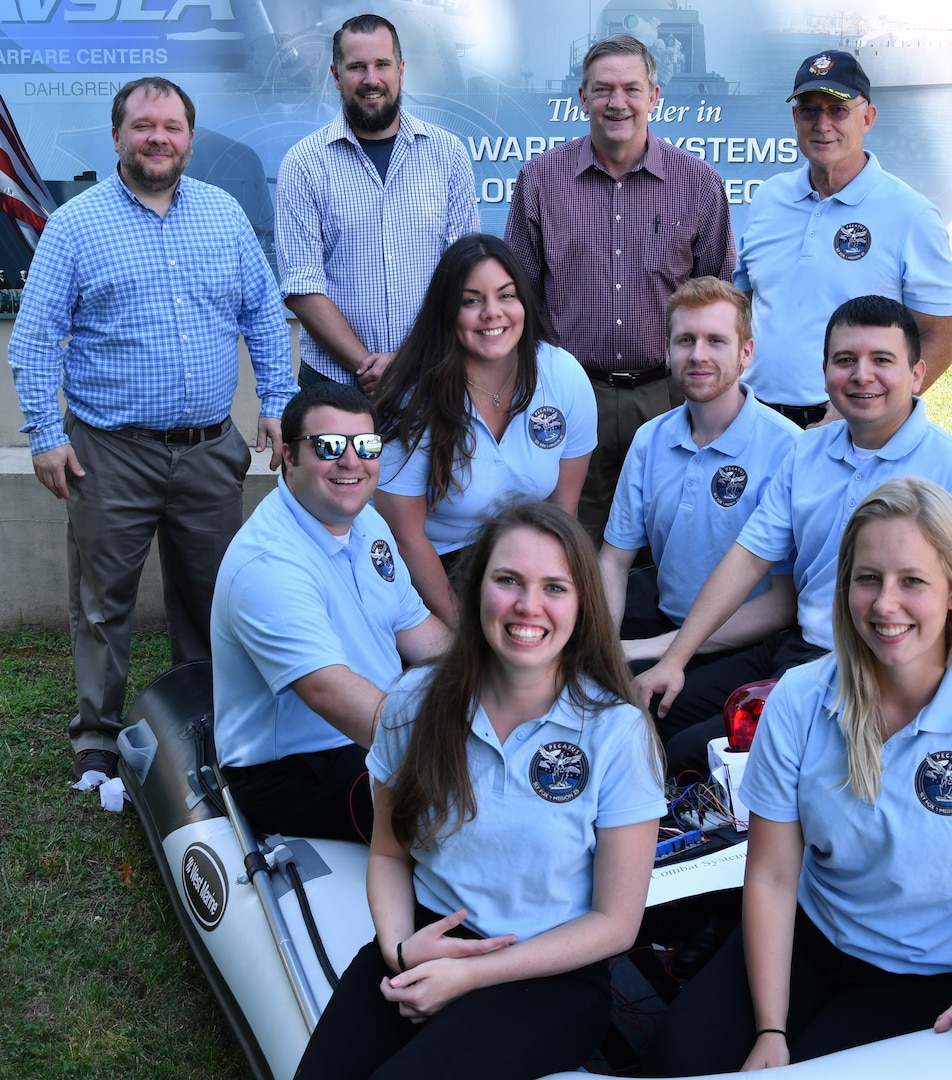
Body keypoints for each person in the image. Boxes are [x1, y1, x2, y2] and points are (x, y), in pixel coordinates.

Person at [645, 478, 952, 1075]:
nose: (884, 605)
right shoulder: (799, 699)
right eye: (867, 578)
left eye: (913, 582)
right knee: (678, 1060)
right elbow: (771, 875)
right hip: (811, 937)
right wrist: (770, 1029)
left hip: (930, 973)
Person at [293, 500, 666, 1080]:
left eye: (554, 588)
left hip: (548, 976)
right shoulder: (413, 705)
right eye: (508, 580)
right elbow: (390, 854)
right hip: (425, 939)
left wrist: (469, 975)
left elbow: (616, 922)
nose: (528, 605)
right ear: (476, 592)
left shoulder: (617, 732)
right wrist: (398, 950)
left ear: (583, 605)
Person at [7, 76, 297, 784]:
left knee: (209, 597)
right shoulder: (76, 226)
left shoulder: (224, 216)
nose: (157, 138)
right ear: (117, 137)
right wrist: (46, 433)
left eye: (171, 126)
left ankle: (203, 722)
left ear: (189, 139)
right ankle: (97, 740)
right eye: (142, 126)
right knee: (102, 605)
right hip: (109, 454)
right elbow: (36, 338)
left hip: (206, 452)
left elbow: (262, 314)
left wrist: (278, 398)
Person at [635, 296, 952, 770]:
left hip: (879, 669)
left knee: (694, 756)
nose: (862, 375)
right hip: (798, 649)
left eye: (882, 360)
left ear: (917, 374)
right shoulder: (807, 451)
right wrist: (675, 658)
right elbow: (747, 558)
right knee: (651, 713)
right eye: (845, 360)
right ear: (824, 371)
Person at [505, 33, 735, 542]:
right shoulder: (539, 181)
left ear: (654, 97)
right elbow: (518, 295)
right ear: (582, 98)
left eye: (632, 88)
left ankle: (661, 627)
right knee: (568, 539)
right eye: (603, 89)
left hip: (668, 397)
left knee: (670, 537)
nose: (617, 102)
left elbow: (720, 304)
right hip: (566, 394)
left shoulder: (698, 184)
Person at [212, 383, 449, 842]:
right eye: (328, 446)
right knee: (456, 810)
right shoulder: (269, 563)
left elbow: (419, 632)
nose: (351, 461)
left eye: (366, 445)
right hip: (297, 768)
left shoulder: (366, 521)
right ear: (287, 455)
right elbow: (327, 692)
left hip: (373, 730)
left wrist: (499, 689)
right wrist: (443, 747)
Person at [598, 278, 800, 743]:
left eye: (716, 340)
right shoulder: (651, 439)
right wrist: (607, 646)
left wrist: (641, 651)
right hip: (663, 622)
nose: (698, 355)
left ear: (746, 352)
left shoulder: (787, 448)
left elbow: (783, 600)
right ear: (667, 352)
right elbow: (614, 558)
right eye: (685, 340)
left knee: (640, 730)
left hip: (745, 643)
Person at [373, 234, 596, 628]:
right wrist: (463, 630)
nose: (492, 313)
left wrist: (555, 599)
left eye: (506, 296)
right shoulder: (413, 396)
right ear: (447, 312)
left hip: (527, 559)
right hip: (437, 566)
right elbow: (405, 535)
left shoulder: (562, 374)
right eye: (471, 300)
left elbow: (564, 510)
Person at [735, 50, 952, 428]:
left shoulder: (911, 215)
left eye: (838, 110)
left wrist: (864, 410)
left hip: (848, 424)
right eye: (809, 110)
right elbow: (744, 303)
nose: (823, 124)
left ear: (867, 117)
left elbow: (941, 339)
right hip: (753, 419)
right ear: (794, 118)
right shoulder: (769, 198)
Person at [277, 13, 478, 394]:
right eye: (356, 67)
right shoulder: (303, 163)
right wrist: (366, 365)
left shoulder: (448, 154)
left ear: (400, 69)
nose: (371, 79)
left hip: (430, 377)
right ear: (336, 76)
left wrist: (408, 362)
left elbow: (464, 275)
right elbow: (302, 285)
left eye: (382, 64)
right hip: (334, 385)